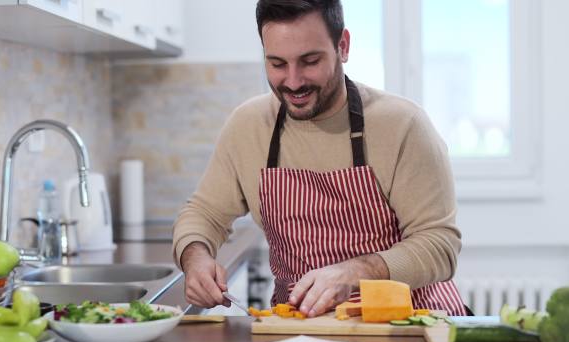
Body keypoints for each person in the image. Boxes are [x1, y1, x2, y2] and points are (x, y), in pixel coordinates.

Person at [172, 0, 468, 317]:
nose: (294, 81)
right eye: (277, 64)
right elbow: (204, 213)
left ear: (343, 46)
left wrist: (359, 271)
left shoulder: (403, 125)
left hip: (405, 329)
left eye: (310, 61)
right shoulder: (248, 126)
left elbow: (440, 245)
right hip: (301, 330)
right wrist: (196, 256)